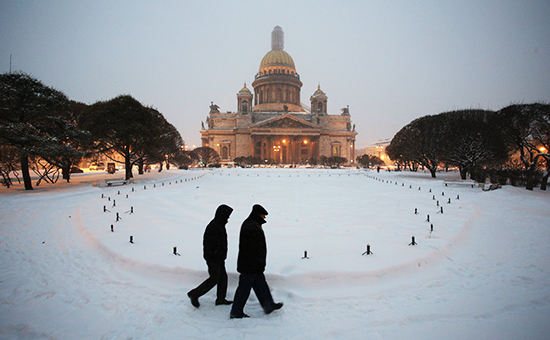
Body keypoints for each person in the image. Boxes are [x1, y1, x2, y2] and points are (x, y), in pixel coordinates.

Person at [230, 204, 283, 318]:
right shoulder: (252, 227)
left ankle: (268, 305)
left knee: (260, 285)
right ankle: (236, 312)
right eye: (263, 215)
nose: (264, 218)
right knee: (244, 289)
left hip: (252, 264)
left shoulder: (252, 224)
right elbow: (253, 249)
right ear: (258, 215)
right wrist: (258, 262)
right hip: (250, 264)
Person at [188, 204, 234, 308]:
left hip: (218, 257)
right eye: (227, 216)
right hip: (213, 258)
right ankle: (194, 294)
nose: (228, 218)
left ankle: (221, 299)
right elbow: (210, 244)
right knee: (214, 278)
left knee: (223, 278)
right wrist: (216, 253)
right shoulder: (214, 226)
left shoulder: (219, 224)